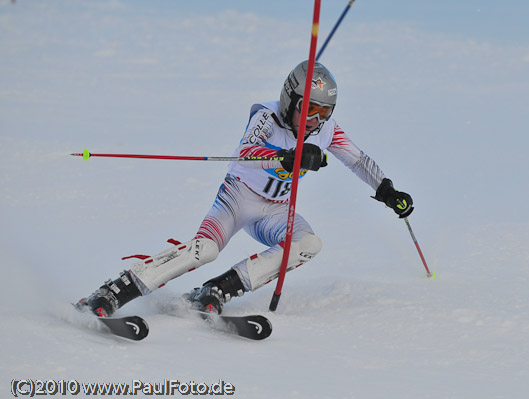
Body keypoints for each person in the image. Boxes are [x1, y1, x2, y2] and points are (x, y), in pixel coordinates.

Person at [77, 61, 414, 317]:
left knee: (308, 244)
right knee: (205, 250)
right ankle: (115, 290)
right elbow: (249, 153)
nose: (315, 120)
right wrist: (289, 156)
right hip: (237, 198)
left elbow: (358, 160)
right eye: (310, 109)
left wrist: (387, 191)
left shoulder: (325, 132)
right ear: (290, 99)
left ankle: (217, 290)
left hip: (276, 211)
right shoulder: (267, 118)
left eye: (324, 112)